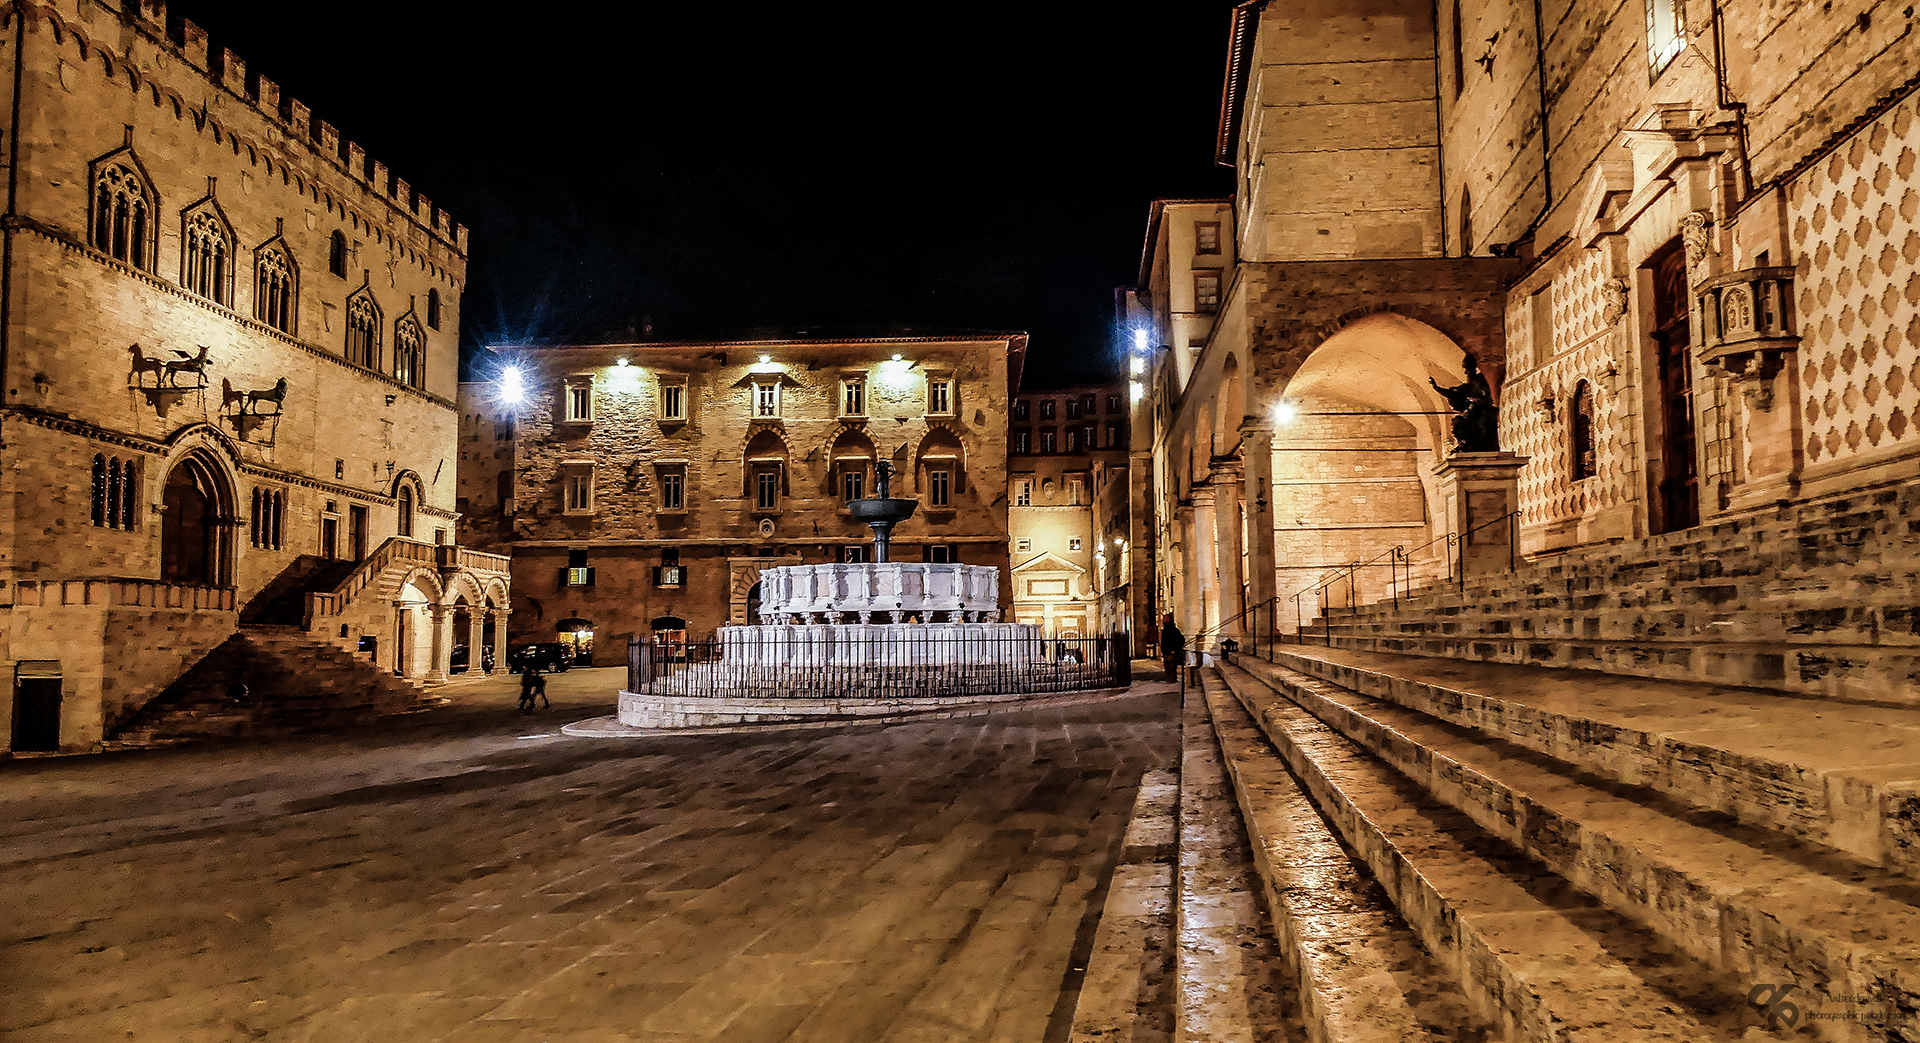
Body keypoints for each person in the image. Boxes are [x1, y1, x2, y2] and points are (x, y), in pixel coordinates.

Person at [1160, 614, 1185, 684]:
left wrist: (1174, 651)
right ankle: (1170, 679)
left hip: (1171, 653)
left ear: (1168, 619)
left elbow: (1180, 641)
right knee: (1168, 668)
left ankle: (1172, 680)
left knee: (1171, 667)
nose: (1163, 620)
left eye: (1164, 618)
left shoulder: (1173, 630)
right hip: (1167, 653)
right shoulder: (1166, 629)